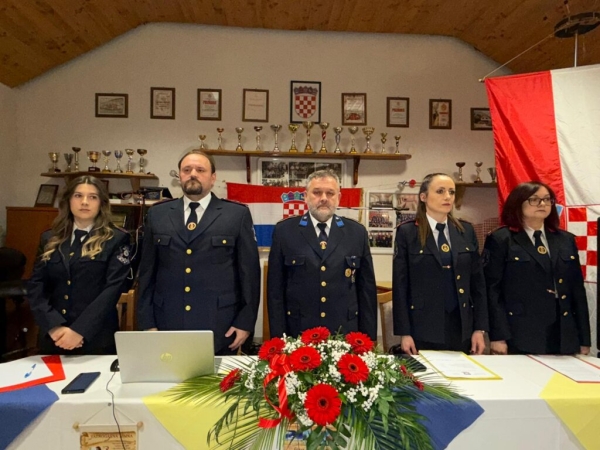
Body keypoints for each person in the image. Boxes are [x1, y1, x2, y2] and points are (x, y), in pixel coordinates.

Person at [137, 150, 260, 355]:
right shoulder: (158, 214)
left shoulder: (236, 214)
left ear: (213, 178)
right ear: (180, 176)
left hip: (220, 324)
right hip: (167, 321)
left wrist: (245, 322)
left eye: (200, 170)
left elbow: (249, 275)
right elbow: (147, 272)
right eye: (187, 170)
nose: (193, 174)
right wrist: (146, 321)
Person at [267, 169, 377, 340]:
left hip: (345, 330)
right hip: (299, 330)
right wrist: (278, 337)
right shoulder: (285, 231)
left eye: (330, 193)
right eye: (317, 192)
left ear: (338, 197)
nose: (324, 198)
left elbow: (366, 290)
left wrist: (368, 337)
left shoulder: (356, 232)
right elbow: (275, 290)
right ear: (305, 196)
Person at [483, 181, 591, 355]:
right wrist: (498, 336)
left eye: (547, 199)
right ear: (518, 203)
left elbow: (577, 291)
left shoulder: (565, 240)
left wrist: (584, 339)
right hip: (521, 331)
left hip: (563, 331)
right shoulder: (502, 239)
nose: (542, 204)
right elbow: (492, 291)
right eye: (534, 199)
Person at [28, 176, 131, 355]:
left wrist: (79, 330)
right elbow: (36, 286)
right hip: (54, 338)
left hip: (96, 339)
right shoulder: (49, 238)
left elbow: (112, 290)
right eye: (78, 196)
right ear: (68, 200)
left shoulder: (116, 239)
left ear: (101, 203)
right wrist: (53, 326)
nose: (84, 202)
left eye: (92, 197)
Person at [393, 173, 488, 355]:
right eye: (440, 191)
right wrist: (404, 332)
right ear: (423, 197)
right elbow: (400, 285)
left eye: (451, 192)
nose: (447, 197)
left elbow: (478, 284)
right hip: (423, 325)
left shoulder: (465, 230)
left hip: (461, 324)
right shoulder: (408, 232)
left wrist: (479, 328)